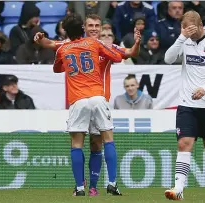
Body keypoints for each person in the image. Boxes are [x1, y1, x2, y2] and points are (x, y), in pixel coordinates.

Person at [34, 14, 141, 196]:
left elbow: (56, 67)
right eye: (90, 25)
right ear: (83, 28)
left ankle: (81, 187)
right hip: (98, 98)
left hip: (78, 100)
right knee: (108, 139)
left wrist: (40, 38)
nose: (93, 28)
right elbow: (118, 57)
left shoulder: (64, 48)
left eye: (96, 25)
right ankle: (112, 183)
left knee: (77, 144)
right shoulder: (96, 45)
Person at [164, 10, 205, 201]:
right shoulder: (184, 42)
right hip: (187, 104)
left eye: (191, 28)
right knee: (184, 143)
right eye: (184, 28)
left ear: (200, 26)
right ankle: (179, 188)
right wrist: (182, 37)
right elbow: (168, 58)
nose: (189, 32)